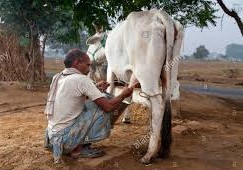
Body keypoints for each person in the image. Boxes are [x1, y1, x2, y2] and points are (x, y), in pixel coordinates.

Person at [44, 48, 133, 163]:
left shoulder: (58, 77)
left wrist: (95, 87)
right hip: (67, 139)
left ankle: (76, 146)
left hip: (53, 137)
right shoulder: (81, 79)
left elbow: (74, 96)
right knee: (103, 107)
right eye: (87, 65)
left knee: (89, 105)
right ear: (77, 63)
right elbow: (108, 107)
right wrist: (123, 95)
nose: (89, 68)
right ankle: (78, 149)